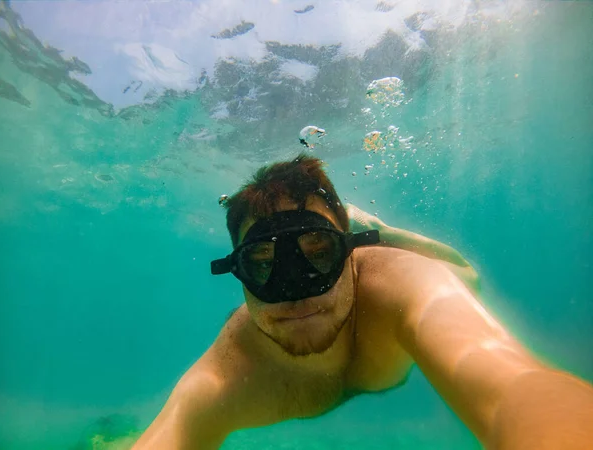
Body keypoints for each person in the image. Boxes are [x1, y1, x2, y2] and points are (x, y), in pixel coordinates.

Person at [133, 154, 593, 450]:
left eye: (318, 253)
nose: (298, 292)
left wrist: (385, 236)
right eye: (264, 265)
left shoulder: (394, 281)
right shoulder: (229, 372)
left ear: (349, 249)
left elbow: (513, 387)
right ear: (237, 270)